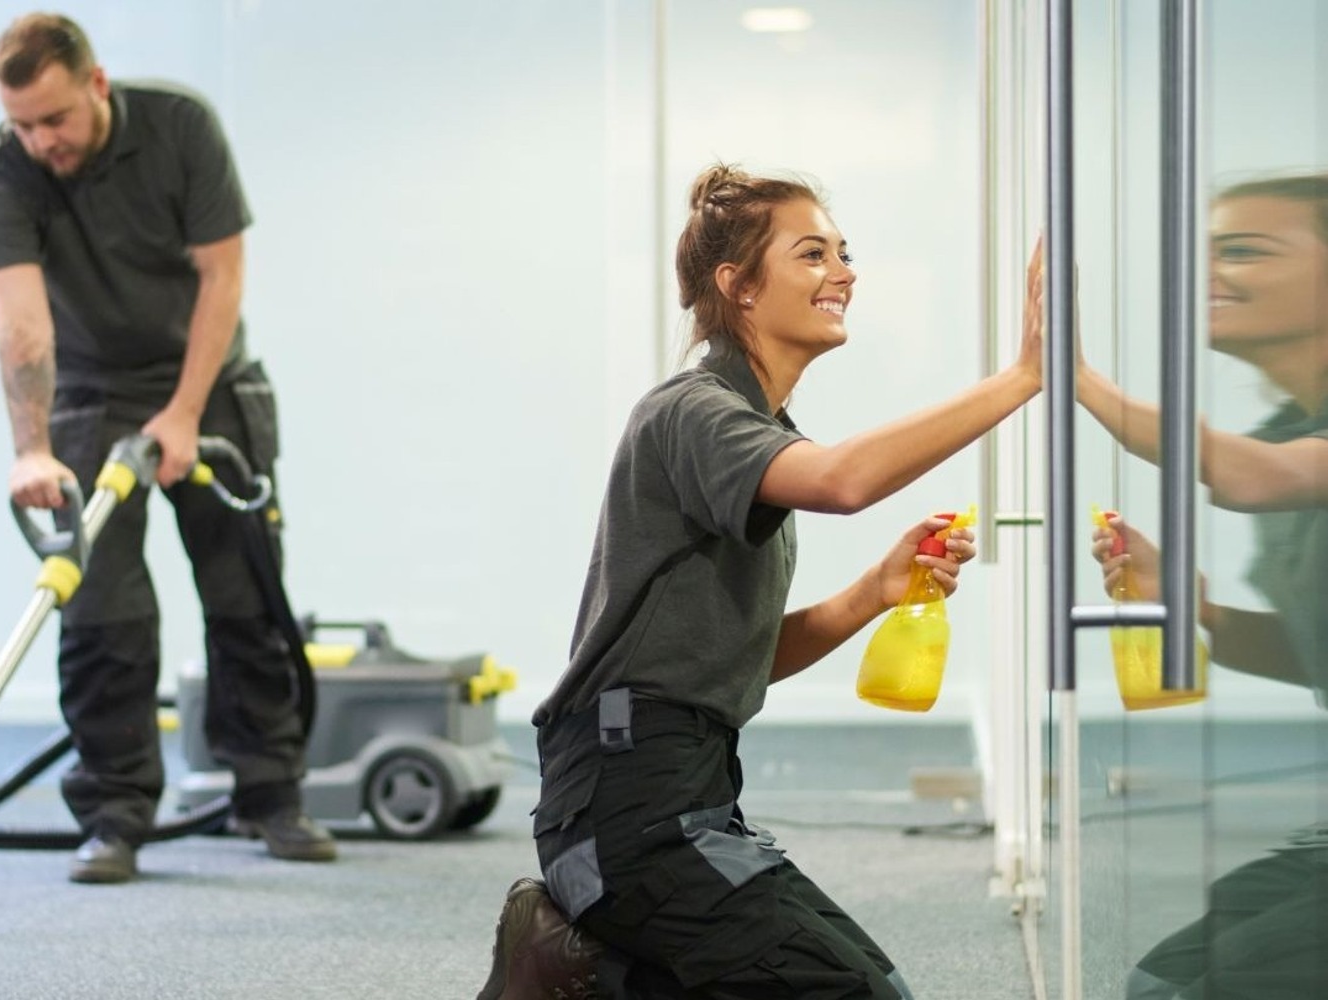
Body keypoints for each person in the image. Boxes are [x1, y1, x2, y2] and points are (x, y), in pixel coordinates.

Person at [477, 163, 1044, 999]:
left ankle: (590, 972)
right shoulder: (693, 411)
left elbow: (727, 655)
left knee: (850, 982)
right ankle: (588, 964)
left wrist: (872, 593)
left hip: (689, 790)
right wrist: (1021, 379)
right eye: (813, 255)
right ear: (737, 286)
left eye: (844, 254)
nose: (844, 273)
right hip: (629, 809)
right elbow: (845, 482)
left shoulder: (756, 428)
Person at [0, 12, 337, 884]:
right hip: (90, 398)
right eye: (22, 123)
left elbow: (223, 275)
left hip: (208, 382)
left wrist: (184, 411)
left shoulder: (179, 126)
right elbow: (21, 323)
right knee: (102, 616)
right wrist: (30, 447)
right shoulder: (3, 169)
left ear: (96, 84)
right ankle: (114, 814)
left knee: (246, 597)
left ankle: (268, 795)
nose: (39, 140)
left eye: (53, 118)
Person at [1081, 173, 1328, 998]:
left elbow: (1251, 476)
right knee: (1159, 980)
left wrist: (1078, 380)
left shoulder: (1277, 458)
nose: (1209, 273)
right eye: (1209, 251)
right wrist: (1199, 607)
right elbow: (1315, 657)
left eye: (1245, 251)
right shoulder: (1291, 430)